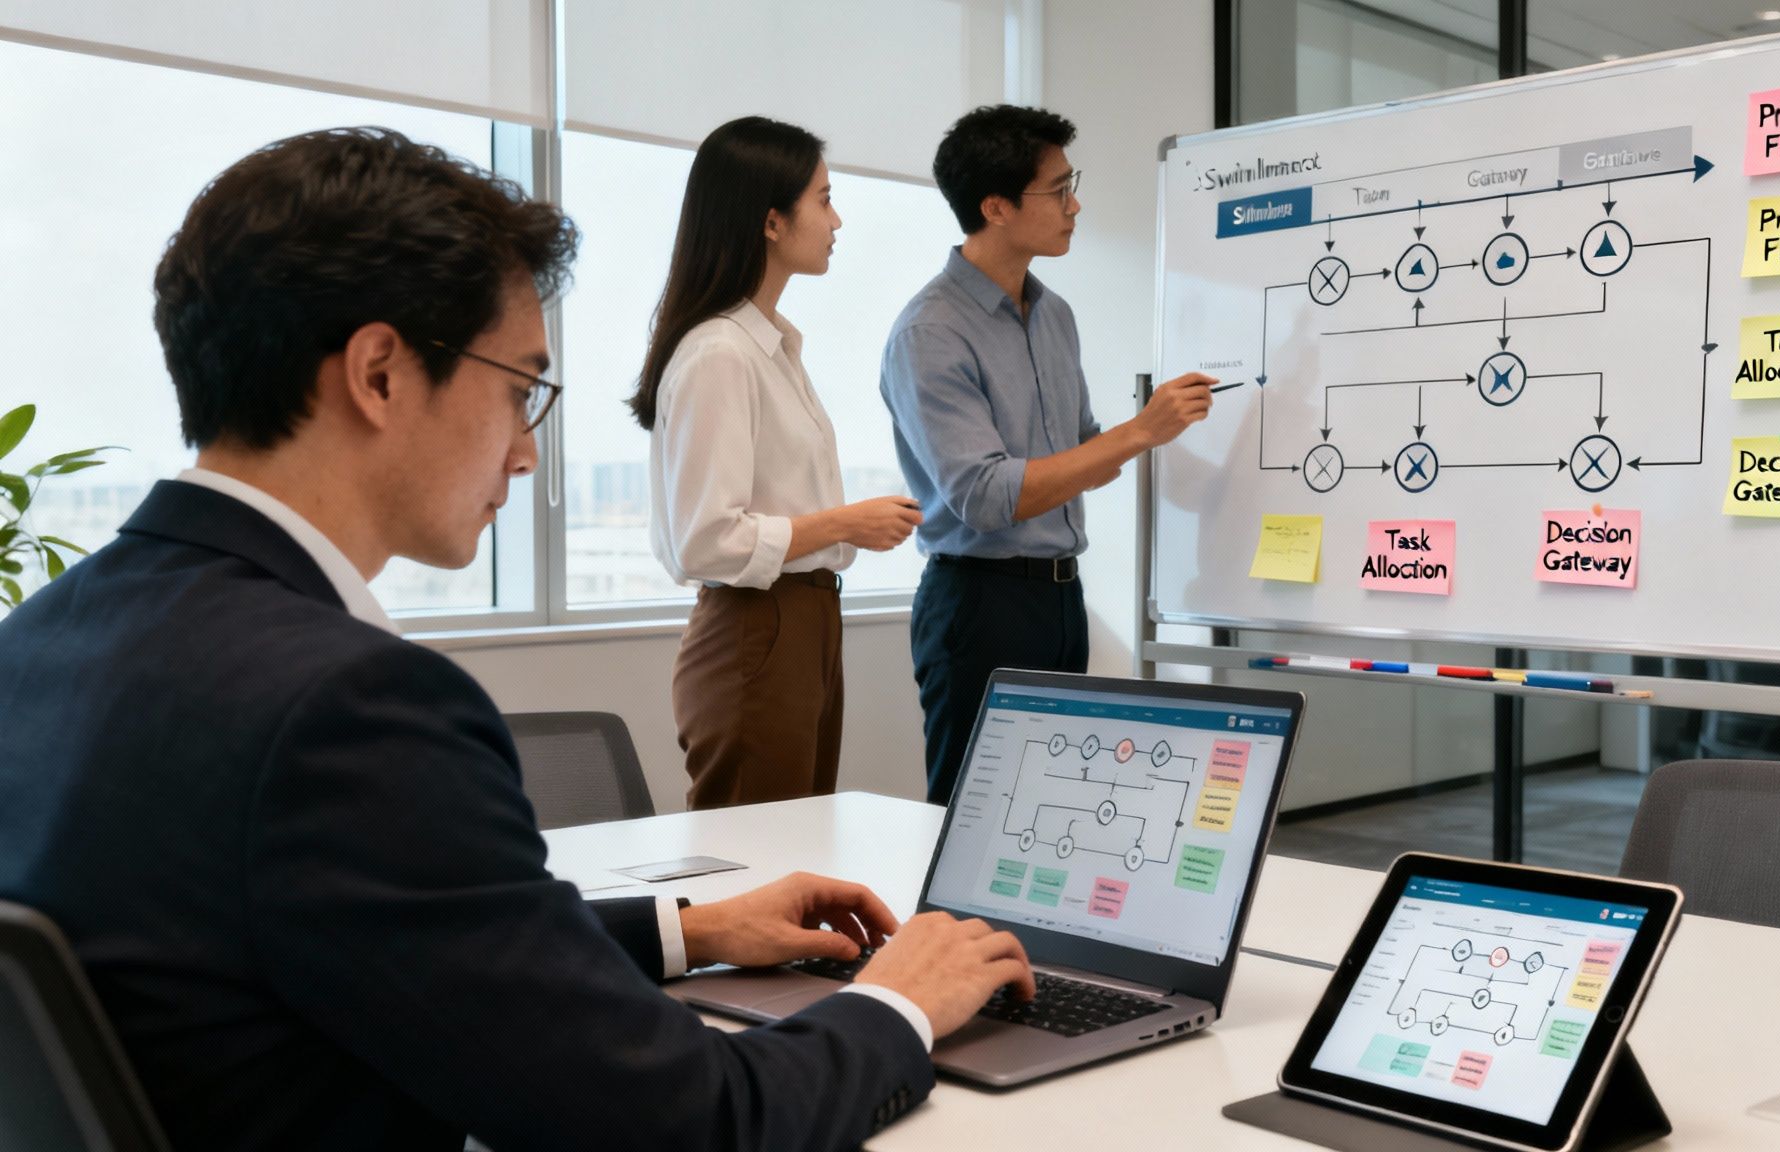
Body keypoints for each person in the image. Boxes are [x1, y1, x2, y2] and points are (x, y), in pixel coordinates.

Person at [0, 127, 1033, 1152]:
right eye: (517, 389)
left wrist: (687, 929)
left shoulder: (40, 642)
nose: (529, 454)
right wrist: (899, 1003)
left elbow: (363, 931)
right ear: (378, 374)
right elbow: (694, 1124)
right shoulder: (347, 709)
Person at [881, 105, 1216, 803]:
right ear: (995, 206)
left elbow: (1083, 448)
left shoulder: (1055, 313)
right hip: (979, 603)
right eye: (1058, 189)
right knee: (970, 815)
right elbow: (987, 496)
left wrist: (1181, 443)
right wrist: (1140, 432)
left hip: (1062, 598)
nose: (1076, 204)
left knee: (1052, 808)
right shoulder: (930, 332)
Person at [631, 117, 922, 810]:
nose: (837, 219)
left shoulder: (770, 346)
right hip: (757, 628)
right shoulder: (721, 353)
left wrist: (840, 527)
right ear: (770, 221)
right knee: (757, 864)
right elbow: (708, 538)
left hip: (803, 621)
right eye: (824, 199)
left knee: (796, 847)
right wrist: (843, 522)